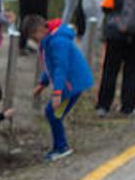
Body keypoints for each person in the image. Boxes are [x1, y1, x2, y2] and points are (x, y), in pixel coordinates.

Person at [23, 13, 92, 160]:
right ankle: (58, 146)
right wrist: (43, 84)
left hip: (72, 84)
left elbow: (61, 68)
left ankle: (62, 147)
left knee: (53, 113)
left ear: (40, 30)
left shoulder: (57, 42)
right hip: (70, 83)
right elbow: (50, 66)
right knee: (54, 113)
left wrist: (57, 93)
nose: (35, 41)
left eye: (34, 37)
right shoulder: (49, 40)